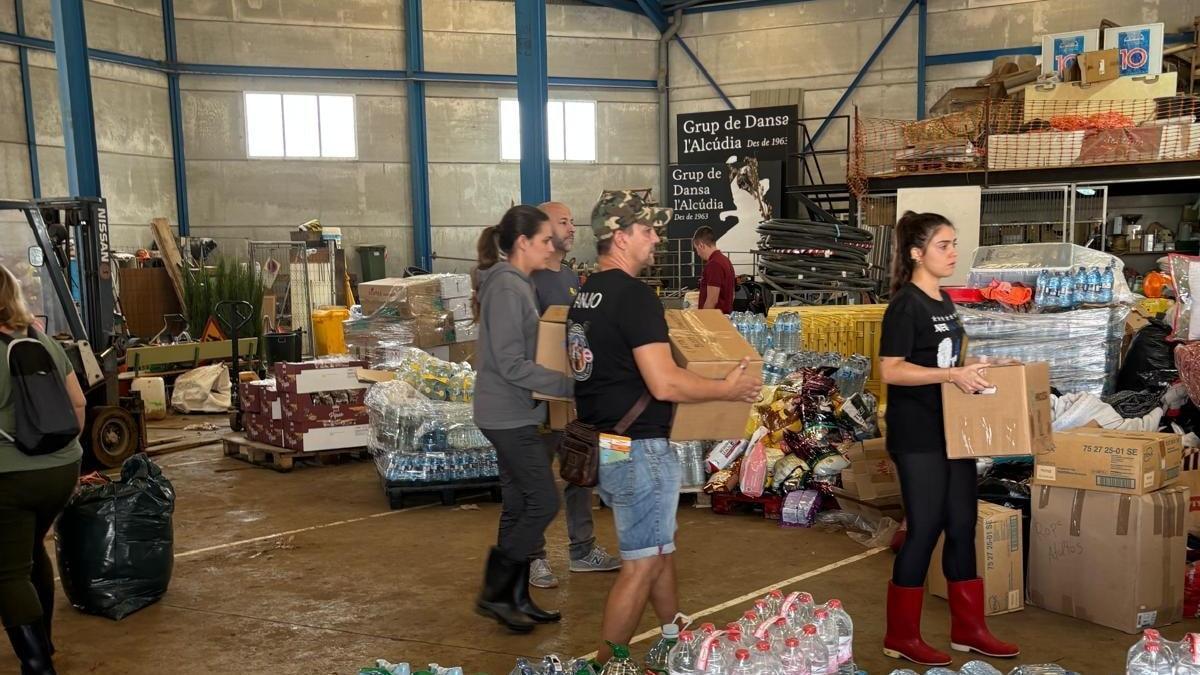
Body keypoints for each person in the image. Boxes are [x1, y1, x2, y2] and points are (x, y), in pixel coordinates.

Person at [567, 191, 761, 662]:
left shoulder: (586, 296)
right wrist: (726, 389)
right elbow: (665, 381)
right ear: (619, 236)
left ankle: (675, 637)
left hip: (607, 442)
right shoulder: (634, 297)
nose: (656, 239)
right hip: (640, 450)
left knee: (658, 546)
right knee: (643, 561)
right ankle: (606, 664)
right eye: (647, 230)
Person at [878, 211, 1019, 666]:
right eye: (944, 245)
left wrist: (978, 367)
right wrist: (950, 375)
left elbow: (945, 360)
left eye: (954, 243)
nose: (953, 252)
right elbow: (891, 369)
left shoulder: (941, 300)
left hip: (952, 430)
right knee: (924, 529)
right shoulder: (906, 305)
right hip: (917, 434)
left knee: (962, 524)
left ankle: (969, 630)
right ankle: (901, 635)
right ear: (916, 253)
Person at [472, 205, 574, 633]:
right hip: (506, 413)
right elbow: (511, 363)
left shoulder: (517, 284)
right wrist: (568, 385)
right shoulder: (507, 288)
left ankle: (515, 596)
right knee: (544, 501)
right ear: (522, 242)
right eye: (545, 240)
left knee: (519, 505)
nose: (552, 247)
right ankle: (494, 593)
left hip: (516, 410)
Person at [527, 201, 621, 589]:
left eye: (572, 221)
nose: (571, 228)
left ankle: (582, 550)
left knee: (580, 473)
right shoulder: (528, 278)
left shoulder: (568, 276)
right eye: (563, 221)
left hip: (571, 394)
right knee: (536, 481)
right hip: (538, 399)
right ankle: (533, 557)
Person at [0, 264, 87, 675]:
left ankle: (37, 666)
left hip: (10, 477)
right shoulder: (40, 338)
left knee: (7, 574)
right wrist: (59, 453)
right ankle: (45, 643)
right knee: (32, 549)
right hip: (63, 467)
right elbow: (79, 404)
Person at [692, 226, 735, 314]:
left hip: (715, 319)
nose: (698, 254)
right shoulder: (725, 260)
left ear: (701, 245)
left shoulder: (714, 264)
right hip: (724, 316)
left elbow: (712, 300)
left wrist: (703, 319)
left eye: (696, 249)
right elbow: (733, 294)